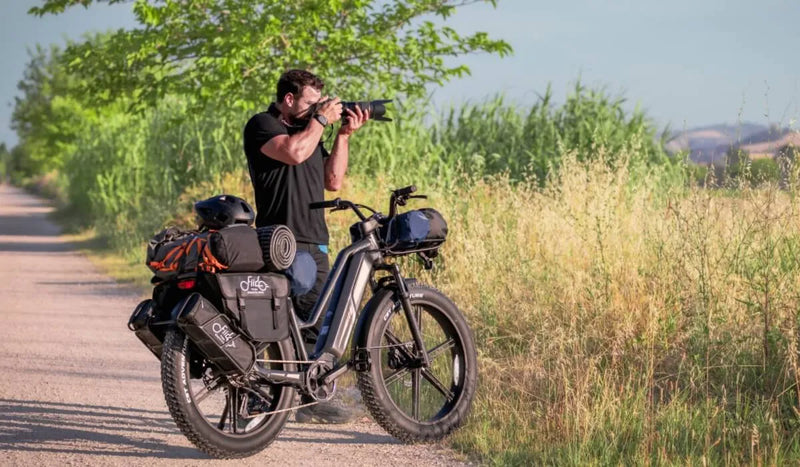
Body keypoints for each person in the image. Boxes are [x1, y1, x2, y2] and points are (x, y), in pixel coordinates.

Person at [243, 69, 370, 423]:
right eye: (311, 102)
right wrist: (319, 119)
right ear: (288, 99)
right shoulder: (263, 125)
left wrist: (343, 134)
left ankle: (307, 399)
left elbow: (333, 181)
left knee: (315, 324)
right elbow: (294, 154)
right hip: (281, 241)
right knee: (276, 324)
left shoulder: (310, 132)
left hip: (316, 242)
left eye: (320, 102)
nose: (321, 108)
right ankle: (260, 394)